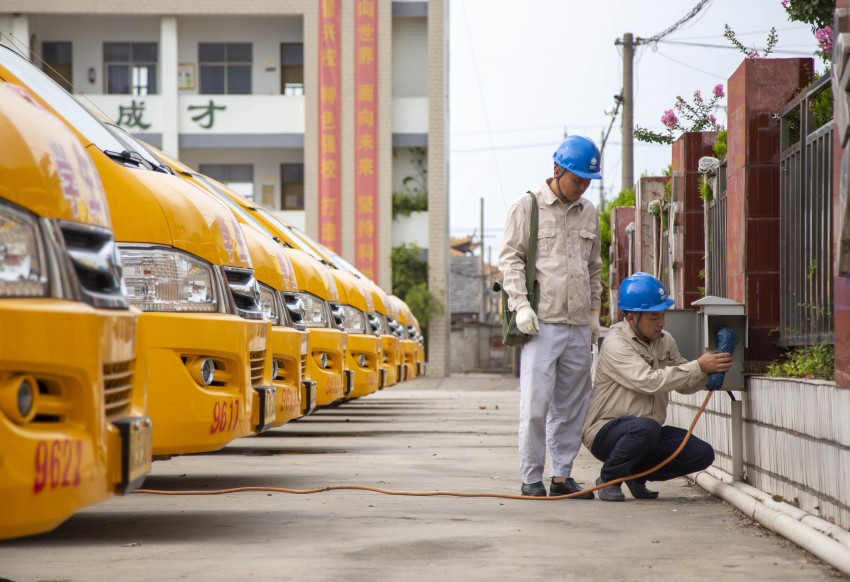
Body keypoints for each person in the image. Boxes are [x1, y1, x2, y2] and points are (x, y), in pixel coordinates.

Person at [498, 135, 603, 498]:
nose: (583, 187)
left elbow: (594, 268)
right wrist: (521, 304)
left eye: (588, 181)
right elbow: (511, 259)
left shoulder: (589, 211)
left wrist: (593, 314)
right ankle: (531, 477)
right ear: (557, 170)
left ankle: (561, 476)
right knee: (536, 403)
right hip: (542, 323)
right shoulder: (527, 207)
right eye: (577, 179)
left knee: (572, 405)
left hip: (577, 325)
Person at [581, 272, 733, 502]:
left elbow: (683, 384)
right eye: (654, 317)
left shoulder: (666, 340)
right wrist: (697, 366)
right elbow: (648, 381)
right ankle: (610, 478)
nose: (661, 322)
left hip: (646, 434)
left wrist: (708, 372)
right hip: (606, 432)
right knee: (646, 428)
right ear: (632, 317)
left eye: (662, 315)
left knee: (700, 454)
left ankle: (633, 474)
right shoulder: (615, 343)